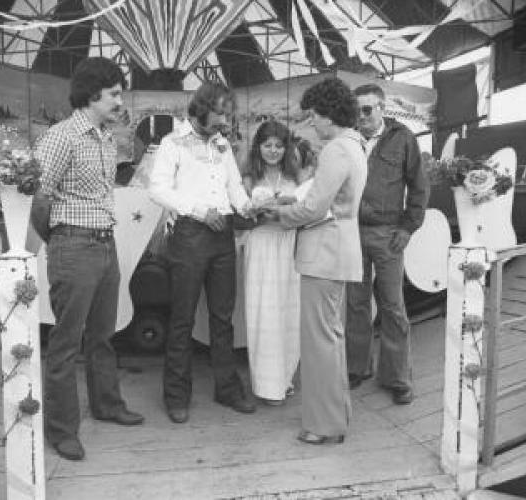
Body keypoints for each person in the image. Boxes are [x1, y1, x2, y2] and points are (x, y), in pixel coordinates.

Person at [33, 57, 143, 462]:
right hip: (75, 247)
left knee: (103, 334)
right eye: (114, 93)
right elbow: (39, 197)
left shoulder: (106, 138)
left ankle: (108, 405)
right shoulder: (62, 137)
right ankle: (61, 430)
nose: (120, 100)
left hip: (105, 244)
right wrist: (61, 241)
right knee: (65, 342)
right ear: (92, 93)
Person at [265, 77, 367, 444]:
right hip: (337, 250)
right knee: (331, 338)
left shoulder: (336, 149)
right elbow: (328, 204)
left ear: (329, 113)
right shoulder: (355, 145)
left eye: (315, 116)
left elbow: (315, 207)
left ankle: (323, 426)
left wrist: (277, 213)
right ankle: (335, 418)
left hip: (323, 253)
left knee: (319, 341)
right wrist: (290, 205)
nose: (313, 123)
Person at [149, 82, 256, 424]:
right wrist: (197, 209)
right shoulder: (172, 143)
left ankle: (227, 388)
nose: (225, 119)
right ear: (201, 108)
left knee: (222, 317)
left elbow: (234, 188)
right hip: (190, 235)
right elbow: (157, 189)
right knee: (182, 318)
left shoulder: (222, 145)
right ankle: (176, 395)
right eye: (220, 112)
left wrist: (249, 207)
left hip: (223, 234)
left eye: (228, 113)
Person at [345, 83, 429, 405]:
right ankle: (357, 367)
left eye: (367, 109)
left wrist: (409, 227)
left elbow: (419, 187)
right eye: (357, 110)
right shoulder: (348, 139)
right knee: (356, 303)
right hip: (352, 232)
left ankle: (397, 377)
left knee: (393, 306)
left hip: (388, 234)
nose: (361, 116)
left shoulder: (403, 138)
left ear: (382, 108)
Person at [241, 120, 301, 406]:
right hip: (262, 244)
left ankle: (285, 377)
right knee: (264, 313)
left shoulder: (296, 176)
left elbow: (305, 207)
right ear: (258, 147)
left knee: (289, 310)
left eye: (279, 145)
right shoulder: (249, 177)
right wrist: (257, 210)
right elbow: (242, 214)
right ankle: (266, 384)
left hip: (289, 245)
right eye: (268, 145)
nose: (273, 151)